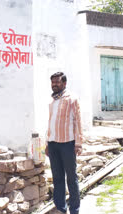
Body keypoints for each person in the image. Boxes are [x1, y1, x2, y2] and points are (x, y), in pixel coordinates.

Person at [45, 72, 83, 214]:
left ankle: (74, 210)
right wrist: (47, 143)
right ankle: (61, 208)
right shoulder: (52, 101)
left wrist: (78, 143)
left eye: (57, 82)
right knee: (57, 178)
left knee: (71, 178)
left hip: (68, 143)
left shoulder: (72, 99)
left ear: (64, 83)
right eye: (53, 82)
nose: (54, 85)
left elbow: (78, 121)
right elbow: (50, 123)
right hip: (53, 144)